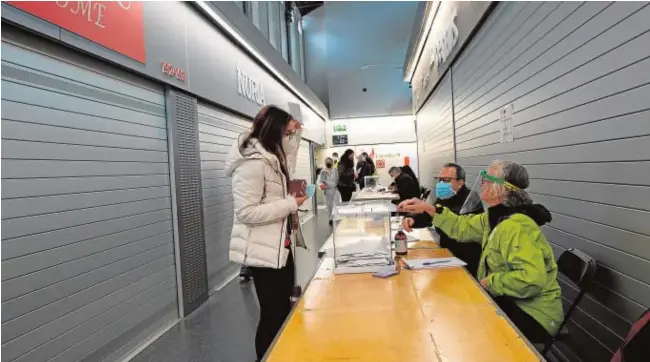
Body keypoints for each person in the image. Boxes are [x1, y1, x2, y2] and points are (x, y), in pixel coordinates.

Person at [398, 160, 563, 343]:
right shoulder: (492, 218)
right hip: (511, 300)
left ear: (504, 189)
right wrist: (428, 209)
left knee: (467, 324)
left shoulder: (517, 226)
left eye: (488, 178)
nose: (482, 181)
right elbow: (461, 226)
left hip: (534, 314)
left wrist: (489, 282)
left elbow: (531, 279)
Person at [226, 105, 309, 361]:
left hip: (280, 248)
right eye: (286, 132)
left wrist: (296, 133)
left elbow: (290, 158)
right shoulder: (252, 163)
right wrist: (290, 204)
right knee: (272, 316)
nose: (289, 137)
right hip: (264, 252)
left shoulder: (273, 156)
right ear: (275, 132)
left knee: (283, 310)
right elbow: (246, 212)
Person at [402, 163, 483, 277]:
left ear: (460, 182)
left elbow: (457, 225)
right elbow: (430, 215)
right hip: (446, 254)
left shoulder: (470, 200)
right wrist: (412, 219)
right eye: (439, 180)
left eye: (446, 180)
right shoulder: (446, 197)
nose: (441, 184)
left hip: (465, 260)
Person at [318, 157, 339, 226]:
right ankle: (330, 218)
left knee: (335, 205)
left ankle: (334, 218)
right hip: (327, 191)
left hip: (335, 190)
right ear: (325, 163)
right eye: (327, 162)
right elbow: (320, 182)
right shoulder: (323, 172)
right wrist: (323, 186)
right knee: (329, 206)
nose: (329, 163)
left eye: (330, 162)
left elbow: (338, 179)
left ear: (332, 163)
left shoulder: (335, 170)